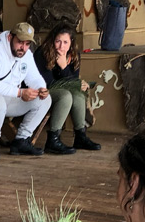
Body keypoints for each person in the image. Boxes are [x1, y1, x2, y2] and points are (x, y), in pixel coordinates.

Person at [0, 22, 51, 157]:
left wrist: (41, 88)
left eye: (27, 44)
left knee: (44, 100)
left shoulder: (26, 54)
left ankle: (21, 140)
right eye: (20, 42)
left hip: (11, 97)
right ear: (10, 37)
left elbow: (34, 77)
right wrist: (20, 93)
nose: (23, 47)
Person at [34, 24, 99, 155]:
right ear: (52, 40)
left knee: (78, 93)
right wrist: (64, 68)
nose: (61, 46)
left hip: (59, 89)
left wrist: (68, 71)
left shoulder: (73, 55)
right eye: (58, 41)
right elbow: (48, 83)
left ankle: (80, 136)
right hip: (41, 90)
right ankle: (53, 140)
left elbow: (73, 80)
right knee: (66, 95)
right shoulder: (42, 53)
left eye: (65, 42)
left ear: (71, 43)